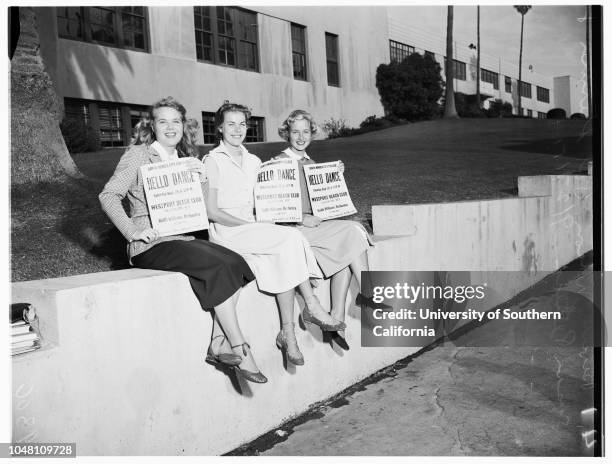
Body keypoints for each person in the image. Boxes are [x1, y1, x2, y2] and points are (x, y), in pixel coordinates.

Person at [99, 96, 267, 383]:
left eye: (175, 121)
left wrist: (201, 179)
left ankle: (217, 342)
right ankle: (240, 346)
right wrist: (134, 231)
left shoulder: (185, 160)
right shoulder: (139, 155)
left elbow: (199, 209)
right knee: (217, 266)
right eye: (162, 121)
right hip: (152, 244)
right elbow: (108, 195)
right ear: (152, 125)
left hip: (184, 237)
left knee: (237, 263)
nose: (170, 127)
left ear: (183, 126)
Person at [203, 101, 345, 366]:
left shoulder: (254, 160)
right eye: (230, 124)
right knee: (291, 238)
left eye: (242, 124)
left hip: (254, 227)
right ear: (220, 128)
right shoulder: (212, 161)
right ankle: (312, 306)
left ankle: (288, 332)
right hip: (228, 231)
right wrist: (251, 225)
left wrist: (332, 176)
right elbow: (212, 211)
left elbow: (270, 200)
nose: (237, 129)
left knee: (287, 244)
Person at [275, 109, 375, 350]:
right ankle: (368, 297)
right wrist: (301, 218)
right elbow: (273, 209)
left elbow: (324, 203)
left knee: (351, 238)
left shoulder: (311, 163)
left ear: (312, 134)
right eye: (295, 131)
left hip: (314, 227)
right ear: (287, 133)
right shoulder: (279, 162)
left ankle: (337, 317)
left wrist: (335, 177)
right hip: (293, 231)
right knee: (351, 235)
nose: (300, 137)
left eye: (305, 132)